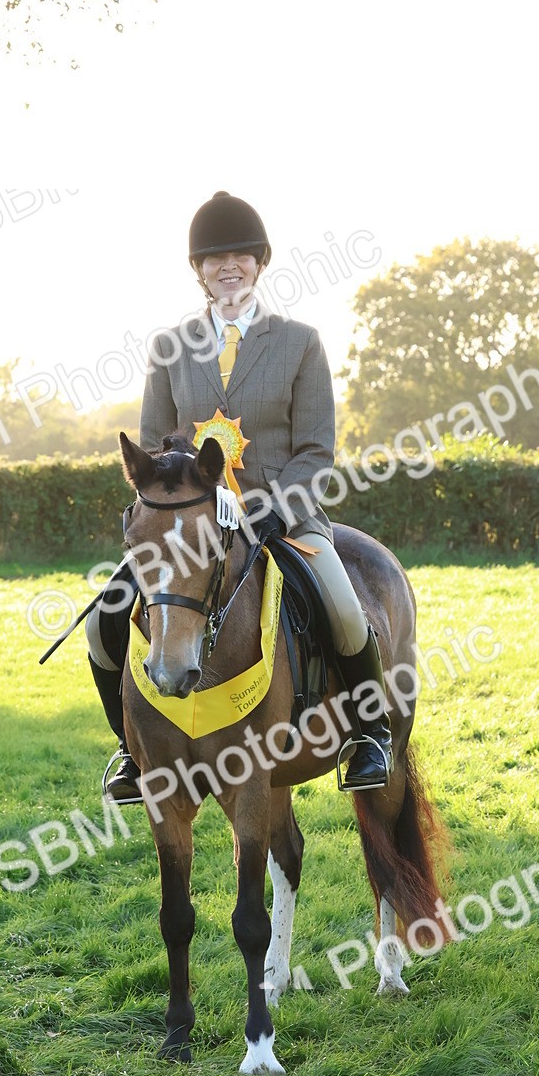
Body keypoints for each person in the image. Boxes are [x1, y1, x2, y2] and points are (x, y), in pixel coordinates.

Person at [86, 191, 392, 801]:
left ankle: (368, 731)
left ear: (260, 262)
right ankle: (130, 748)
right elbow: (152, 450)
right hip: (191, 527)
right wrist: (195, 498)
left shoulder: (300, 342)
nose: (229, 266)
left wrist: (265, 507)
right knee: (104, 620)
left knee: (343, 607)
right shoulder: (169, 348)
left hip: (281, 517)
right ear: (198, 270)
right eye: (215, 258)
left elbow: (315, 450)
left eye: (241, 256)